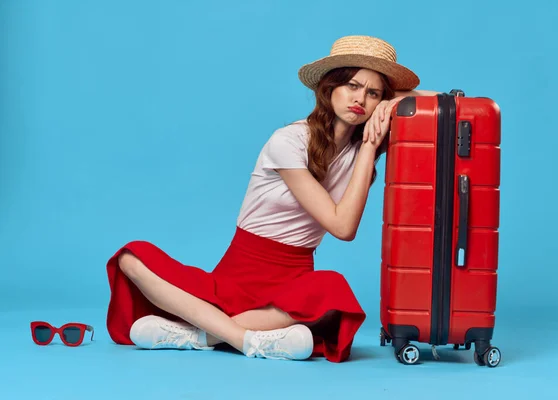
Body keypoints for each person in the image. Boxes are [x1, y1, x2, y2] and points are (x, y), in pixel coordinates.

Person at [105, 35, 437, 362]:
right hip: (236, 275)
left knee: (333, 288)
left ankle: (199, 334)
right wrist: (382, 116)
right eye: (351, 85)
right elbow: (338, 223)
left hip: (290, 284)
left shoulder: (363, 146)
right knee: (130, 257)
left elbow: (440, 101)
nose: (360, 99)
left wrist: (391, 107)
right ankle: (243, 339)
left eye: (372, 92)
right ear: (329, 88)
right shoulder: (288, 141)